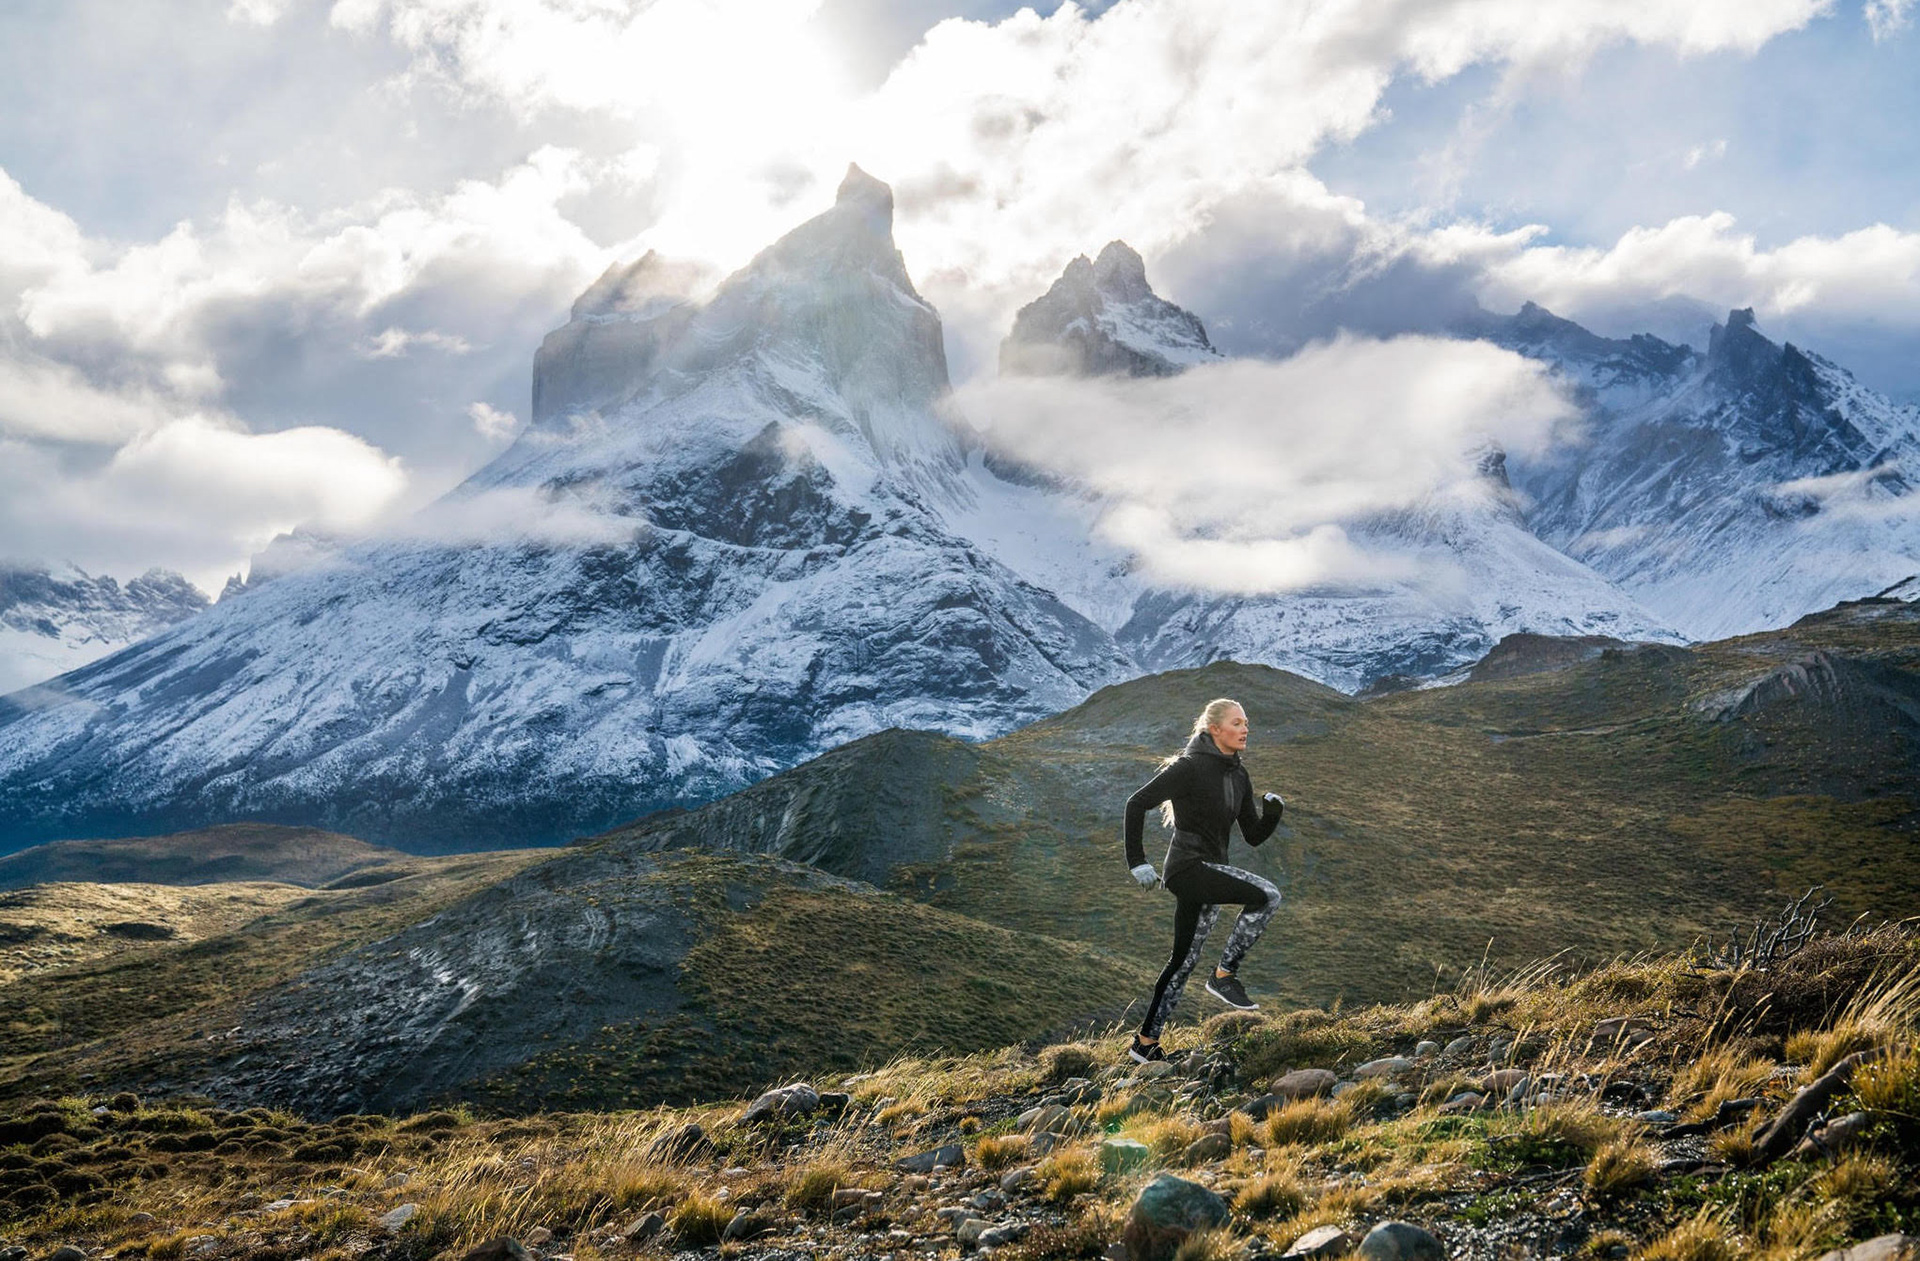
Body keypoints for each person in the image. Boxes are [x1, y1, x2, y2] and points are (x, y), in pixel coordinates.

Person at [1122, 697, 1284, 1063]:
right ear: (1215, 729)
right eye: (1237, 723)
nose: (1245, 729)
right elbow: (1136, 803)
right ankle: (1224, 975)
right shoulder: (1189, 768)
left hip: (1209, 872)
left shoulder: (1239, 775)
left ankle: (1144, 1044)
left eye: (1246, 723)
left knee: (1182, 961)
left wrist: (1273, 815)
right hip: (1187, 868)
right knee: (1268, 895)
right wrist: (1137, 862)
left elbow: (1253, 835)